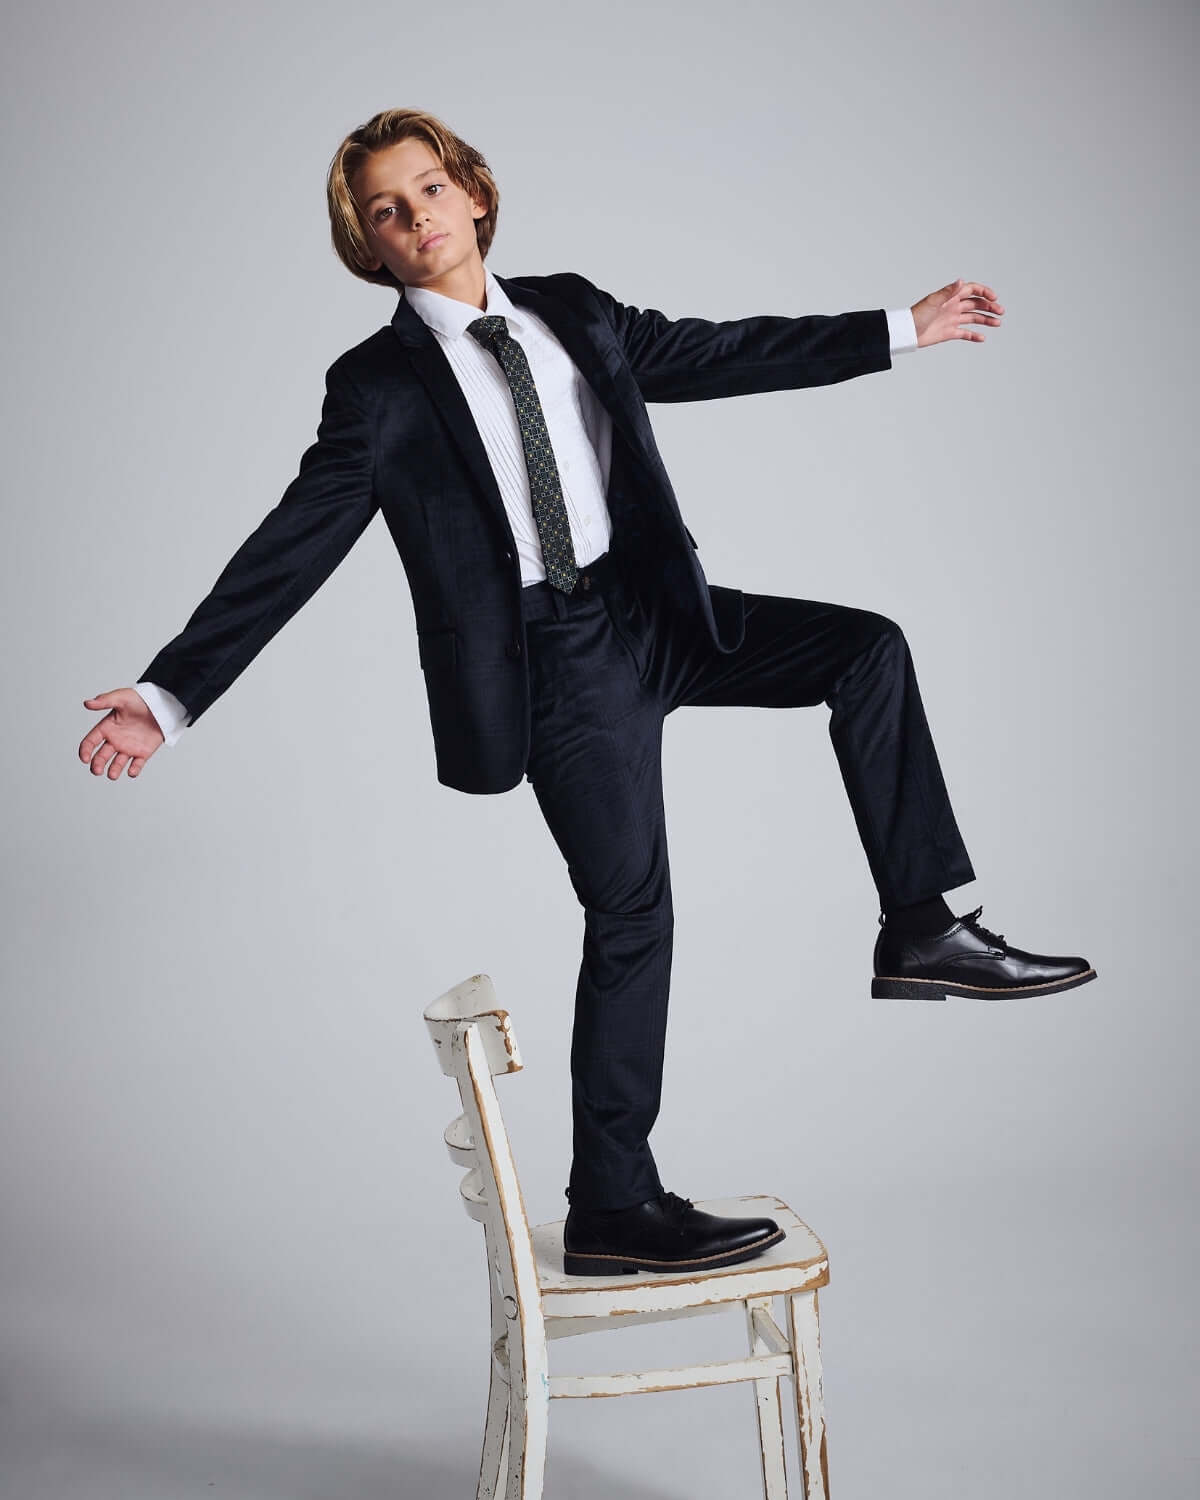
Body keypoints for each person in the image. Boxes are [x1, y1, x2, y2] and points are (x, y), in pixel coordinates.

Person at [78, 107, 1096, 1277]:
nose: (415, 219)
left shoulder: (572, 309)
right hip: (552, 660)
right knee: (633, 915)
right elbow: (292, 543)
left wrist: (902, 328)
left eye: (428, 189)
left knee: (866, 650)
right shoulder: (377, 388)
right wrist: (168, 696)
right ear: (370, 243)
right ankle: (614, 1206)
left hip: (656, 611)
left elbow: (723, 351)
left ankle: (920, 926)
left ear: (472, 192)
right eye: (385, 212)